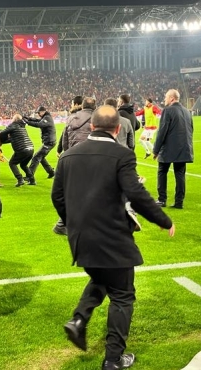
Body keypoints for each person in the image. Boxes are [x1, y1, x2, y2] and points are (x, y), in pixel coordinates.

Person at [51, 105, 175, 370]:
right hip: (111, 237)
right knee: (122, 294)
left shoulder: (68, 156)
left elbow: (57, 197)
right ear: (118, 129)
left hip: (80, 238)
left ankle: (78, 320)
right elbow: (136, 193)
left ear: (92, 126)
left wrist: (74, 223)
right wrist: (163, 220)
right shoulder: (122, 155)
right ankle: (113, 359)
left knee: (103, 277)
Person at [54, 97, 96, 236]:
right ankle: (62, 224)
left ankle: (66, 223)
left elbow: (65, 140)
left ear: (82, 106)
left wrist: (68, 154)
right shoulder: (96, 118)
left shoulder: (71, 118)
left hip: (73, 158)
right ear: (94, 106)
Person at [153, 90, 194, 209]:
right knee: (180, 174)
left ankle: (162, 199)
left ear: (172, 98)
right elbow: (191, 129)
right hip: (184, 148)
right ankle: (179, 202)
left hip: (169, 148)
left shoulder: (167, 110)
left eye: (166, 97)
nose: (164, 99)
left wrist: (156, 150)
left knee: (162, 171)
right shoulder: (187, 111)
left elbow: (162, 132)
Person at [0, 114, 35, 187]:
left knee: (12, 163)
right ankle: (32, 180)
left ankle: (20, 179)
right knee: (23, 165)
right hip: (30, 148)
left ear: (14, 119)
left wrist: (1, 139)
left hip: (22, 149)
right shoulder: (22, 126)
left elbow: (3, 133)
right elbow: (15, 138)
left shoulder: (13, 125)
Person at [24, 106, 57, 180]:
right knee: (41, 157)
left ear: (43, 111)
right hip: (50, 141)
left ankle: (29, 176)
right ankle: (51, 172)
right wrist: (29, 118)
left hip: (49, 142)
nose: (38, 114)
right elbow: (38, 120)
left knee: (36, 157)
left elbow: (39, 124)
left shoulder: (47, 118)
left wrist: (28, 122)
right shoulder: (45, 117)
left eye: (39, 112)